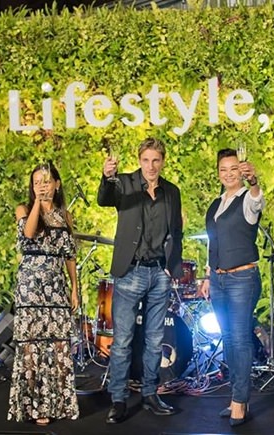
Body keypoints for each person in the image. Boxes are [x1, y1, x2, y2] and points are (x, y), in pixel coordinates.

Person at [97, 137, 184, 424]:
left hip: (159, 273)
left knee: (155, 340)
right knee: (122, 341)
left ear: (163, 161)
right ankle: (119, 399)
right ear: (139, 160)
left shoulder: (172, 191)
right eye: (146, 160)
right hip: (130, 272)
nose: (151, 165)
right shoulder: (124, 184)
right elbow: (104, 198)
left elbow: (177, 233)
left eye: (156, 160)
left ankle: (150, 394)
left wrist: (173, 266)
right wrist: (107, 177)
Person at [8, 162, 79, 426]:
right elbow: (28, 233)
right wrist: (38, 202)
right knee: (33, 347)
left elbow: (70, 254)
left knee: (58, 345)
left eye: (46, 181)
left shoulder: (66, 216)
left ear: (57, 184)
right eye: (37, 181)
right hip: (31, 289)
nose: (42, 185)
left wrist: (75, 288)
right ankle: (36, 407)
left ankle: (59, 404)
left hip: (57, 288)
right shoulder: (24, 209)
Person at [199, 148, 265, 427]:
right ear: (218, 172)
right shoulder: (216, 203)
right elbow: (212, 242)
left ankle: (239, 402)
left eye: (234, 168)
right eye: (224, 169)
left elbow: (256, 199)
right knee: (228, 339)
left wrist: (254, 181)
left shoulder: (247, 200)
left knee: (239, 340)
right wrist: (207, 275)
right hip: (219, 279)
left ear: (241, 170)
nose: (228, 174)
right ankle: (238, 398)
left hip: (242, 279)